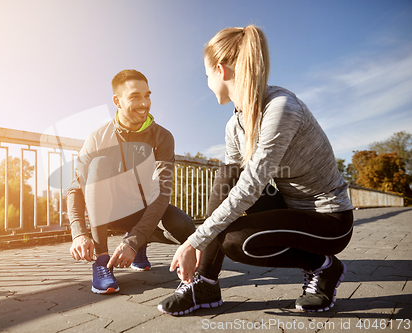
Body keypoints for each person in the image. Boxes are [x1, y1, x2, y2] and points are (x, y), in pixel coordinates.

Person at [158, 25, 353, 315]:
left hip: (328, 221)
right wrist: (203, 237)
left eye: (206, 75)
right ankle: (205, 284)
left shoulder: (281, 108)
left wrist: (193, 240)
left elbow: (251, 187)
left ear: (221, 71)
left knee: (236, 242)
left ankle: (325, 267)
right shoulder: (234, 125)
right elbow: (233, 185)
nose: (208, 82)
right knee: (225, 176)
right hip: (288, 206)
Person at [67, 69, 195, 294]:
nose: (145, 103)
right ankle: (102, 261)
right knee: (99, 164)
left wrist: (133, 241)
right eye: (135, 96)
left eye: (147, 95)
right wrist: (78, 232)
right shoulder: (98, 137)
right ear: (117, 101)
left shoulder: (163, 137)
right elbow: (75, 188)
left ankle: (139, 244)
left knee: (185, 227)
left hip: (144, 209)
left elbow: (163, 193)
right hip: (109, 211)